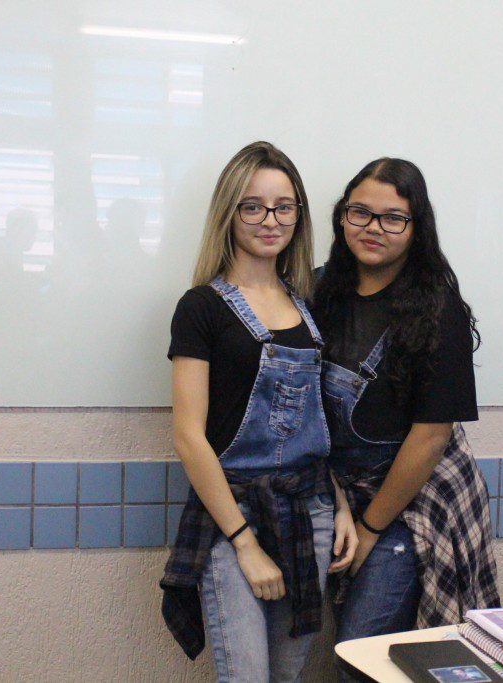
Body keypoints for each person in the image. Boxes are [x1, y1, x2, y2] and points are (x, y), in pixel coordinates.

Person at [159, 141, 357, 682]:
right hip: (234, 516)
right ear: (229, 212)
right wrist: (244, 543)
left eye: (283, 207)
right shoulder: (201, 308)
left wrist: (340, 506)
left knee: (287, 676)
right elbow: (189, 438)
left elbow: (319, 421)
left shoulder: (308, 304)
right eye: (253, 207)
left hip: (311, 513)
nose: (270, 220)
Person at [312, 157, 500, 652]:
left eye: (393, 218)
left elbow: (432, 436)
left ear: (417, 228)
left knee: (361, 651)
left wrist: (370, 528)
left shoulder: (438, 308)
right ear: (342, 217)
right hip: (341, 497)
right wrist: (339, 504)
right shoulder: (317, 291)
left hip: (415, 501)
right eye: (360, 213)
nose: (373, 228)